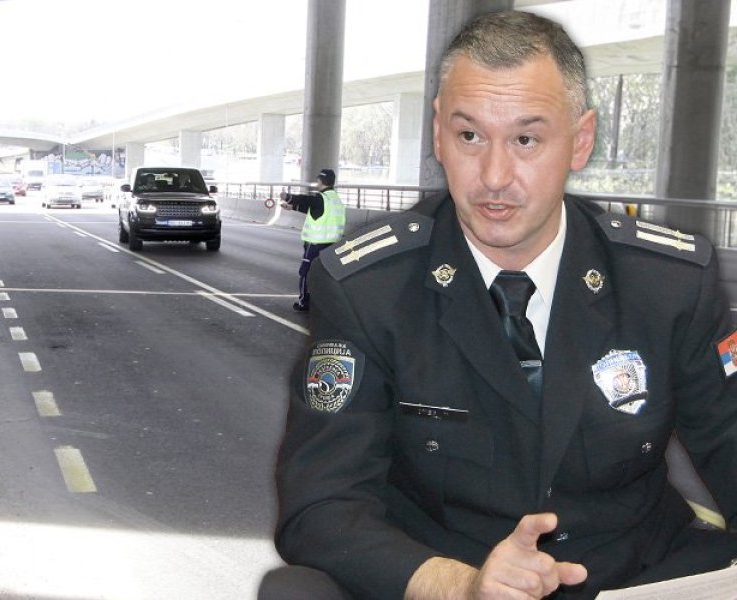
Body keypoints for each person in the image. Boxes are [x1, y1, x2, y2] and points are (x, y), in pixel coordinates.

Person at [266, 10, 737, 600]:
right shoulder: (369, 291)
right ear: (438, 132)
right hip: (447, 572)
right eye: (469, 136)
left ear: (580, 141)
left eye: (526, 139)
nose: (493, 176)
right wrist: (461, 586)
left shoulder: (665, 284)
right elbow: (321, 505)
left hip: (634, 576)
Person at [280, 168, 346, 311]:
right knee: (326, 275)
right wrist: (292, 207)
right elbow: (315, 211)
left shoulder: (321, 198)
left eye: (318, 180)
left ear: (321, 181)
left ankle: (304, 302)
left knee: (305, 272)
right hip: (333, 243)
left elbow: (307, 200)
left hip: (316, 243)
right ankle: (327, 304)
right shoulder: (335, 199)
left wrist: (288, 197)